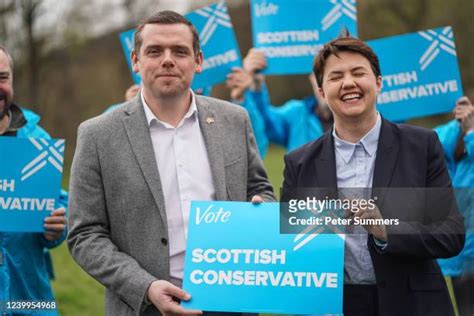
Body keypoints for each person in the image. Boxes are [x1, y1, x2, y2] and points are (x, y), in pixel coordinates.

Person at [67, 10, 274, 316]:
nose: (168, 60)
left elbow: (260, 188)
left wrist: (260, 207)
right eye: (154, 51)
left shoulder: (235, 119)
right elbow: (85, 235)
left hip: (231, 302)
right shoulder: (97, 135)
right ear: (136, 61)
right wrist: (145, 286)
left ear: (198, 61)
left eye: (179, 51)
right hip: (143, 306)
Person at [282, 37, 465, 316]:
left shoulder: (422, 145)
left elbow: (451, 235)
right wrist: (262, 216)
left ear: (378, 82)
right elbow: (292, 247)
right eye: (336, 77)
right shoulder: (299, 162)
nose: (348, 84)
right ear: (321, 91)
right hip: (337, 307)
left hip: (414, 306)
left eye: (358, 73)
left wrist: (386, 231)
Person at [0, 45, 67, 313]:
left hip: (28, 299)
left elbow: (58, 205)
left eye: (2, 78)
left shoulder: (36, 139)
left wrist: (56, 229)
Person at [226, 48, 332, 152]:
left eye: (334, 76)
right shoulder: (298, 115)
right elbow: (264, 125)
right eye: (319, 75)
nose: (325, 83)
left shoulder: (348, 121)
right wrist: (254, 88)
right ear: (311, 78)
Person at [435, 95, 474, 316]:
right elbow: (428, 145)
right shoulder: (452, 133)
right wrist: (460, 125)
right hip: (457, 256)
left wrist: (471, 134)